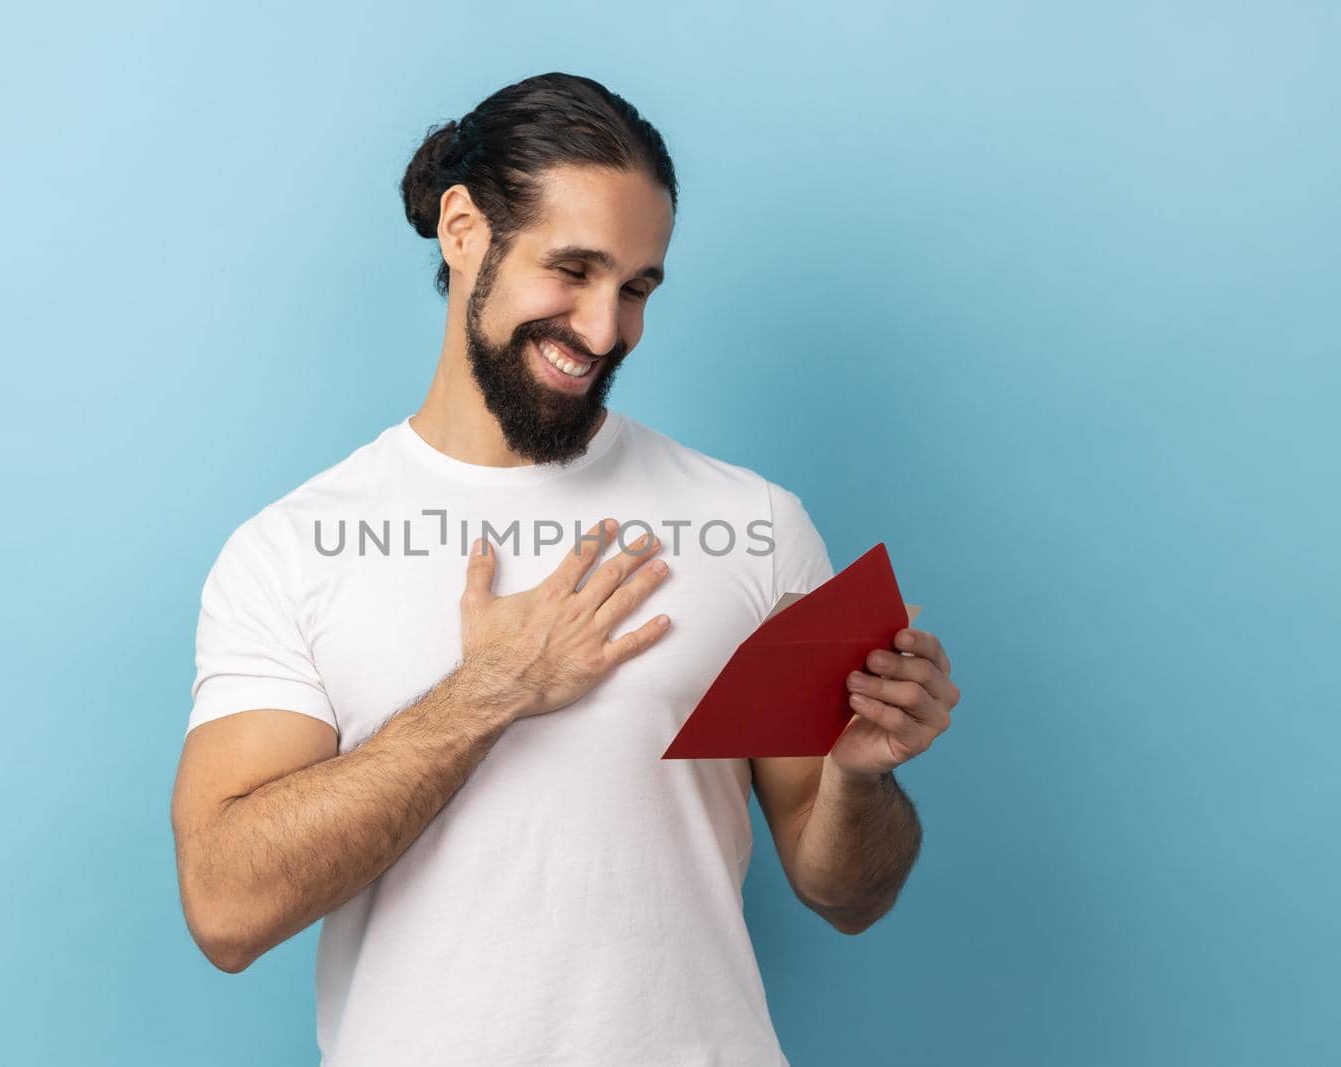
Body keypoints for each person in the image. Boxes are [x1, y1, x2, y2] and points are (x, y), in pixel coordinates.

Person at [170, 71, 961, 1067]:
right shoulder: (293, 547)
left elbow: (847, 893)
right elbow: (225, 905)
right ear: (464, 232)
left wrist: (856, 780)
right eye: (573, 270)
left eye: (635, 288)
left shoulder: (752, 524)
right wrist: (488, 692)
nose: (602, 329)